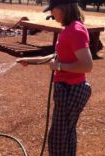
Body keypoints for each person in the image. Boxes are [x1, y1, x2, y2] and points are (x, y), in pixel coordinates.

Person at [16, 0, 93, 155]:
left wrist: (59, 67)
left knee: (58, 139)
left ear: (62, 8)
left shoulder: (75, 31)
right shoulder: (70, 29)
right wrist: (30, 61)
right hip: (68, 90)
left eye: (53, 10)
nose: (52, 14)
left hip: (70, 91)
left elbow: (87, 65)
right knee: (65, 135)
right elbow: (58, 57)